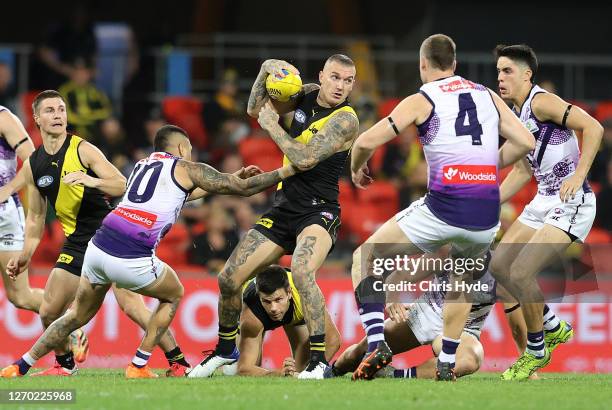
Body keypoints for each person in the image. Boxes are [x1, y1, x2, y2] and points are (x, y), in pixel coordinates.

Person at [0, 124, 296, 378]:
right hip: (131, 255)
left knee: (75, 315)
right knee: (174, 293)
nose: (191, 153)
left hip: (98, 246)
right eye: (189, 148)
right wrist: (284, 171)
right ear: (181, 146)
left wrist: (232, 178)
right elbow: (241, 189)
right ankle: (140, 363)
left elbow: (185, 193)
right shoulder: (187, 167)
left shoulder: (143, 165)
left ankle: (20, 365)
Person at [348, 34, 535, 381]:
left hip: (444, 207)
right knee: (461, 278)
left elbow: (366, 140)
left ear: (422, 64)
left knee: (365, 256)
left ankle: (376, 344)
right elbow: (526, 141)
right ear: (455, 65)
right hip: (485, 216)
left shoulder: (423, 98)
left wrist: (357, 166)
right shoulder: (486, 94)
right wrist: (487, 167)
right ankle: (447, 360)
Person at [188, 54, 359, 379]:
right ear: (322, 76)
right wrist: (265, 69)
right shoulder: (304, 93)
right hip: (284, 209)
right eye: (335, 77)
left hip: (319, 210)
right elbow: (255, 109)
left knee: (302, 270)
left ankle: (318, 362)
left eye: (348, 81)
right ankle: (225, 352)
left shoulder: (346, 119)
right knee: (228, 279)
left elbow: (305, 158)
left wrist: (272, 127)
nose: (340, 86)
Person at [0, 92, 186, 377]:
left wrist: (90, 179)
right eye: (50, 110)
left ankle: (177, 361)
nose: (58, 114)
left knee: (132, 306)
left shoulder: (82, 149)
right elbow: (36, 218)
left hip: (109, 233)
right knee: (49, 311)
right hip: (76, 241)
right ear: (36, 118)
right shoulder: (33, 165)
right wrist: (25, 255)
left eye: (62, 109)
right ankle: (65, 366)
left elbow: (121, 184)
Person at [489, 44, 602, 380]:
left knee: (521, 271)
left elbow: (593, 127)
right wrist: (489, 199)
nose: (500, 77)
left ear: (527, 75)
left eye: (507, 71)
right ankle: (552, 325)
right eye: (498, 72)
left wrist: (580, 175)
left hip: (571, 201)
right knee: (500, 266)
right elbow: (524, 171)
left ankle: (536, 353)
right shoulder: (519, 115)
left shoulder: (541, 102)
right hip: (543, 199)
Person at [236, 265, 340, 376]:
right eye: (266, 301)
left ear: (289, 293)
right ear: (260, 297)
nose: (273, 309)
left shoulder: (305, 295)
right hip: (259, 317)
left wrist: (308, 373)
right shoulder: (251, 314)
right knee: (245, 370)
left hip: (294, 310)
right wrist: (281, 374)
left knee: (301, 368)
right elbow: (244, 369)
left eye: (278, 299)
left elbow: (333, 340)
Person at [0, 105, 41, 313]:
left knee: (20, 296)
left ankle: (71, 324)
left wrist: (9, 188)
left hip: (4, 217)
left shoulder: (3, 118)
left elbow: (35, 162)